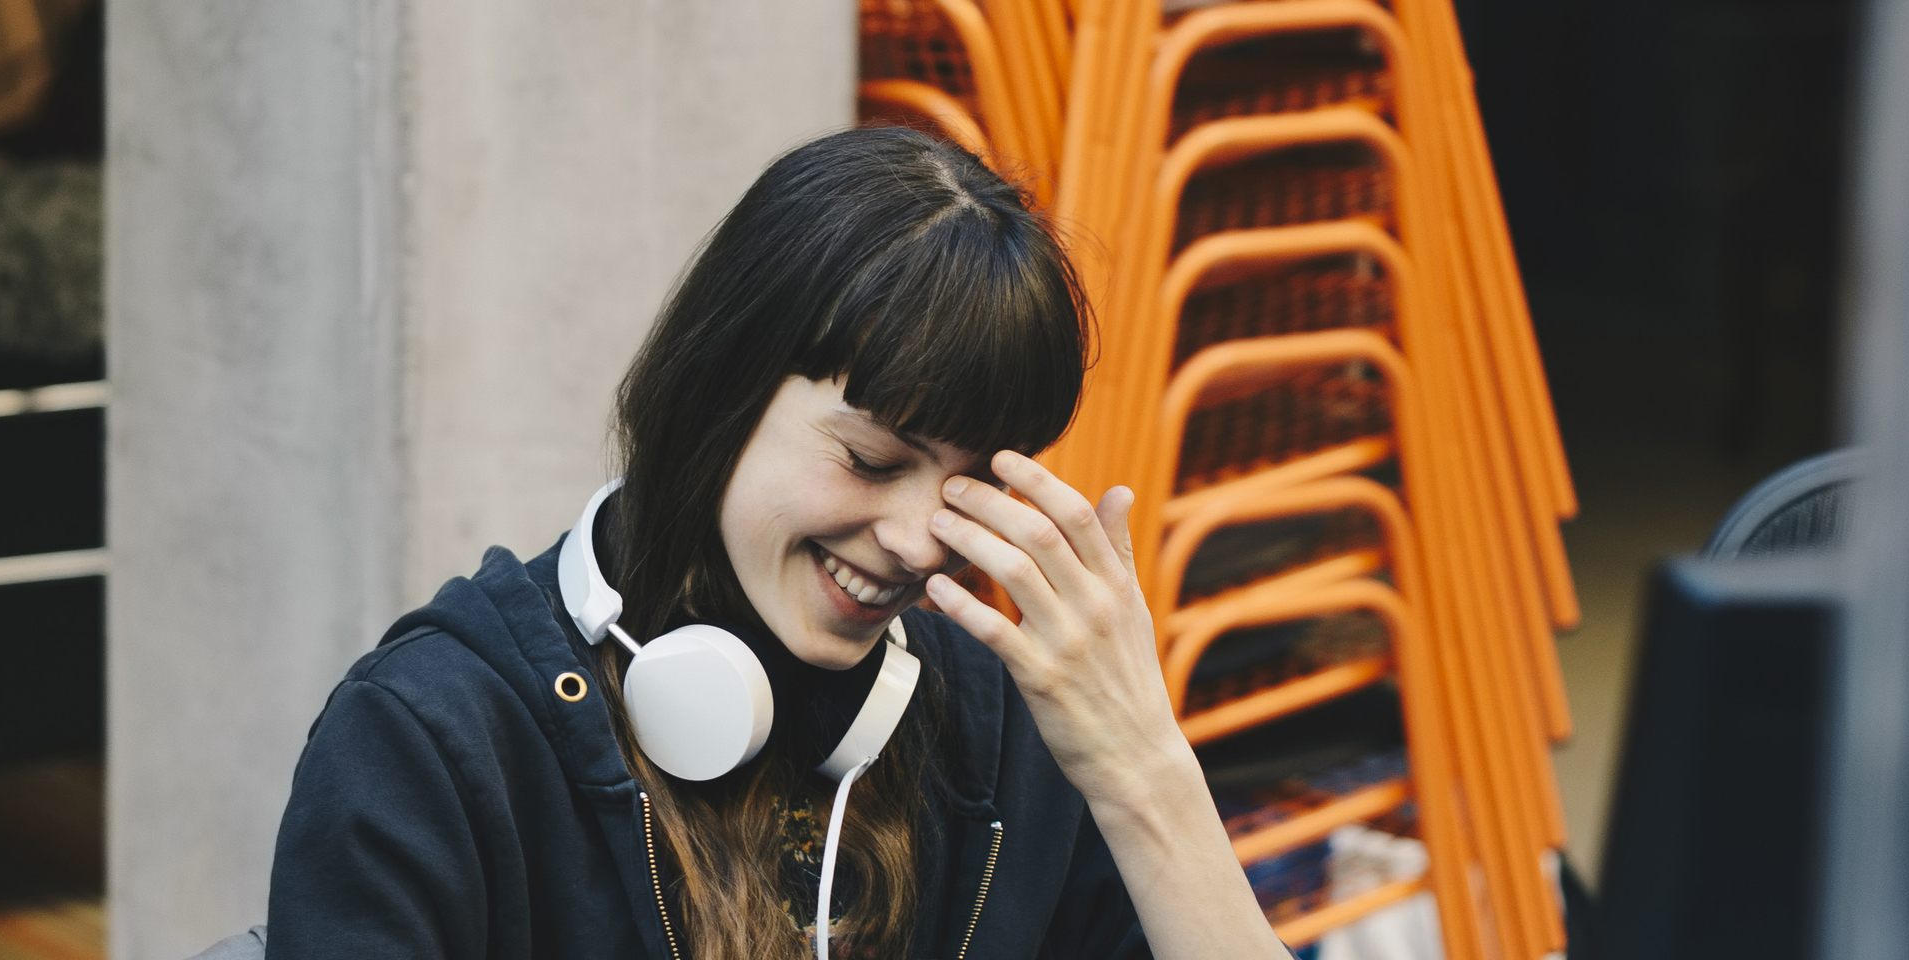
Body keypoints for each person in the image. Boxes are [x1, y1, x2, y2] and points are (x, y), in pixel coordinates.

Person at [264, 127, 1289, 960]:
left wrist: (1145, 774)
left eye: (970, 485)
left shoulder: (1000, 735)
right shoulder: (435, 746)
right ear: (721, 389)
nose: (920, 543)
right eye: (873, 461)